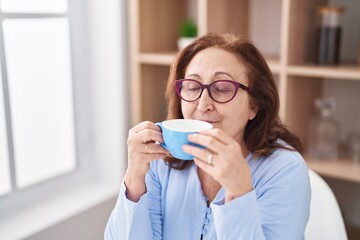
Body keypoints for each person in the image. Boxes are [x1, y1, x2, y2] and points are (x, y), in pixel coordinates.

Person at [105, 33, 311, 239]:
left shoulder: (285, 170)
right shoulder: (160, 160)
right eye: (193, 87)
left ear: (254, 105)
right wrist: (134, 179)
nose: (203, 105)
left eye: (222, 88)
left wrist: (238, 192)